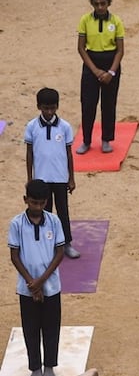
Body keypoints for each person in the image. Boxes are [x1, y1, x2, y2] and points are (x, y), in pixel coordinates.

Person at [8, 179, 65, 376]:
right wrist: (31, 283)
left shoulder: (54, 221)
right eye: (33, 203)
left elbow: (59, 253)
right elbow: (14, 256)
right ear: (26, 200)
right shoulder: (16, 224)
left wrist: (41, 281)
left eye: (41, 203)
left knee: (51, 326)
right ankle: (34, 366)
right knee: (31, 328)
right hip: (27, 287)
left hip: (50, 285)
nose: (38, 207)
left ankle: (49, 364)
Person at [24, 88, 79, 260]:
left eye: (52, 108)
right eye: (45, 108)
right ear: (39, 106)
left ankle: (66, 243)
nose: (49, 112)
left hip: (60, 178)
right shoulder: (32, 126)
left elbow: (69, 154)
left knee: (63, 211)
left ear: (57, 106)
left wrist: (71, 178)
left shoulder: (65, 127)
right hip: (41, 179)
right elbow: (29, 153)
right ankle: (46, 246)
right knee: (44, 213)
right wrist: (30, 178)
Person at [76, 0, 124, 156]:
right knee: (88, 104)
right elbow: (81, 48)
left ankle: (106, 139)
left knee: (109, 103)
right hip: (91, 63)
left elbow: (120, 50)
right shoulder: (85, 20)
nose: (100, 7)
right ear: (92, 4)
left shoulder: (116, 21)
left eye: (103, 3)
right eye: (96, 4)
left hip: (111, 62)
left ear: (109, 3)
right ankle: (86, 140)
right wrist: (95, 71)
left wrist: (111, 72)